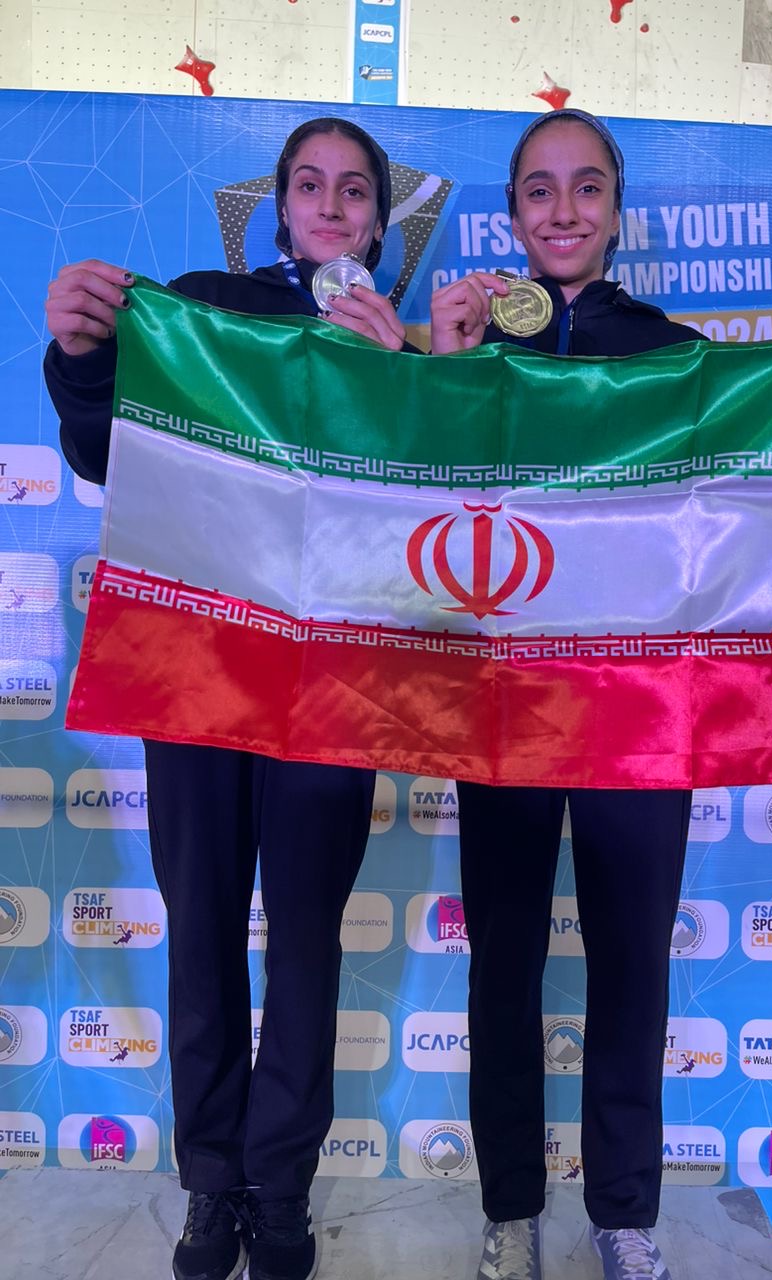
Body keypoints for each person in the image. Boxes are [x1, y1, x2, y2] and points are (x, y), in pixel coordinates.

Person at [430, 108, 772, 1280]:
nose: (562, 210)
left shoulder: (678, 353)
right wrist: (440, 366)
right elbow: (408, 485)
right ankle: (510, 1208)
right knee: (502, 963)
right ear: (511, 214)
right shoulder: (468, 338)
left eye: (585, 187)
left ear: (616, 210)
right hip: (501, 706)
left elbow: (755, 474)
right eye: (539, 190)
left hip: (642, 710)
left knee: (632, 959)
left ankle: (624, 1212)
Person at [44, 117, 413, 1280]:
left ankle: (281, 1186)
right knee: (201, 929)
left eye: (354, 191)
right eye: (310, 184)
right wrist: (82, 355)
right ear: (280, 207)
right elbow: (104, 451)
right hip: (197, 674)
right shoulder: (202, 308)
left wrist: (397, 380)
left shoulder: (398, 339)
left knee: (304, 939)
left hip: (333, 684)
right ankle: (212, 1180)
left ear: (379, 222)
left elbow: (432, 518)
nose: (331, 205)